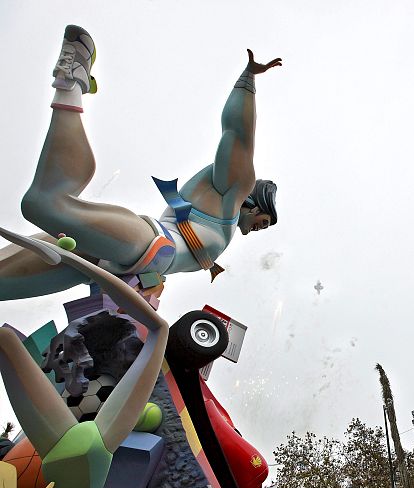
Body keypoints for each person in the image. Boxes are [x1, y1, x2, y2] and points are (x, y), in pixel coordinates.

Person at [0, 25, 281, 300]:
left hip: (116, 269)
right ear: (254, 202)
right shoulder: (231, 190)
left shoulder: (223, 229)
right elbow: (238, 134)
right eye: (264, 221)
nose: (261, 228)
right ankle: (71, 82)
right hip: (144, 243)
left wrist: (153, 284)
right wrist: (249, 80)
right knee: (44, 204)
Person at [0, 228, 169, 488]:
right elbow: (158, 328)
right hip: (74, 450)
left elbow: (158, 328)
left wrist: (79, 263)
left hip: (63, 458)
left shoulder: (105, 431)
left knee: (5, 340)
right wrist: (79, 264)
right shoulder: (104, 434)